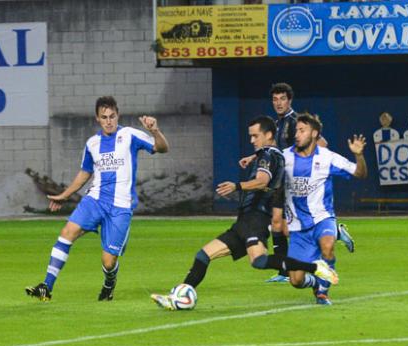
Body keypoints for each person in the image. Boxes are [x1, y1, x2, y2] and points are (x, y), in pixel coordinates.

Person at [150, 116, 338, 310]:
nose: (252, 140)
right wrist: (254, 157)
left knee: (259, 260)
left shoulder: (269, 155)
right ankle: (182, 297)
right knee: (203, 255)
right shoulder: (272, 155)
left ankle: (315, 268)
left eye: (255, 136)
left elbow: (262, 180)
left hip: (256, 218)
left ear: (269, 134)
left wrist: (236, 186)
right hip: (244, 220)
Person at [25, 96, 169, 302]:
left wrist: (154, 131)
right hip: (95, 201)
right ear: (97, 119)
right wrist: (65, 196)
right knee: (67, 232)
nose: (109, 121)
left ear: (117, 115)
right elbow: (85, 173)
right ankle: (46, 286)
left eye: (112, 116)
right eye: (104, 117)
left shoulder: (130, 135)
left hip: (120, 206)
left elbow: (162, 148)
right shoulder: (92, 143)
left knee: (108, 261)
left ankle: (109, 284)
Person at [240, 83, 353, 284]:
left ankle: (294, 266)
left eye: (282, 99)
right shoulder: (278, 122)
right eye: (275, 99)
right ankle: (287, 269)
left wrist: (309, 160)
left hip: (292, 180)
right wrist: (253, 156)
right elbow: (275, 149)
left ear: (289, 100)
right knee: (278, 224)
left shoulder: (294, 121)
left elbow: (322, 144)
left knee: (281, 224)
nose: (278, 103)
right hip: (282, 179)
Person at [283, 113, 367, 305]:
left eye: (302, 130)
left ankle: (322, 291)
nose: (297, 134)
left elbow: (360, 173)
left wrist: (359, 154)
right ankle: (315, 280)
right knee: (295, 281)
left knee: (328, 248)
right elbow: (269, 169)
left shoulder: (328, 158)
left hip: (322, 218)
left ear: (314, 133)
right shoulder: (285, 157)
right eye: (296, 130)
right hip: (297, 226)